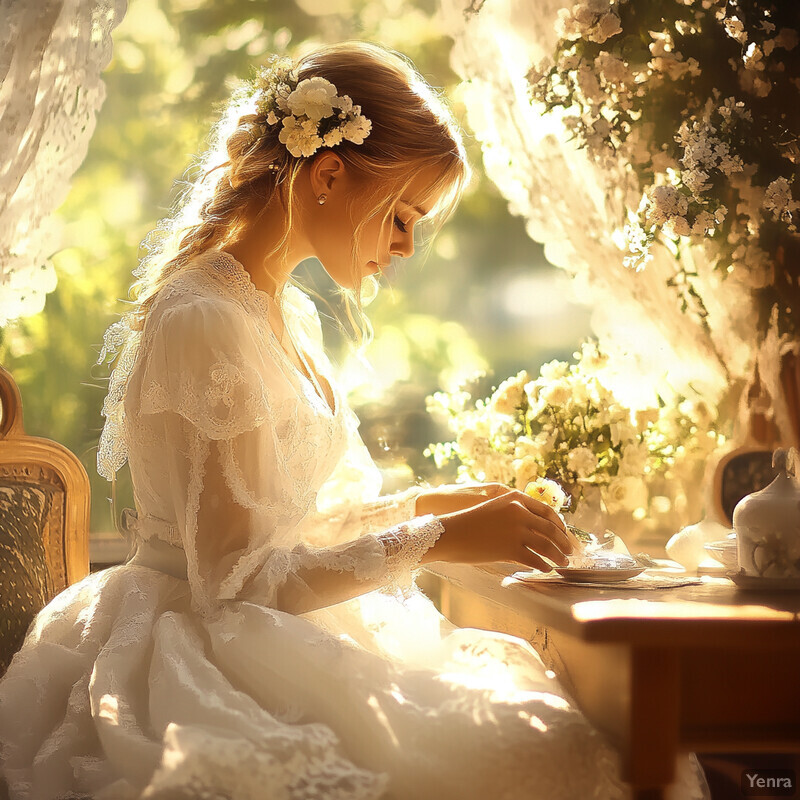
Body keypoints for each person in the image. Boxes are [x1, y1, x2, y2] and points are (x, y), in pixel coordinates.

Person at [0, 42, 709, 800]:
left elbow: (298, 520)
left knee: (595, 733)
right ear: (329, 174)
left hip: (280, 628)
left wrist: (435, 505)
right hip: (207, 649)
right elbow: (237, 583)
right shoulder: (203, 318)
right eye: (402, 216)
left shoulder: (282, 311)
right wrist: (438, 541)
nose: (403, 248)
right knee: (557, 757)